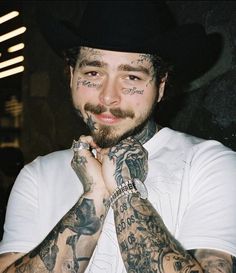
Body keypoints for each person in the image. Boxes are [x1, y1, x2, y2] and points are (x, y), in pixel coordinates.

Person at [0, 1, 236, 272]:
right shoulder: (38, 174)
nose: (108, 96)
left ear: (160, 87)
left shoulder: (211, 165)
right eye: (93, 72)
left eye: (132, 77)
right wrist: (95, 194)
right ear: (71, 77)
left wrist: (123, 192)